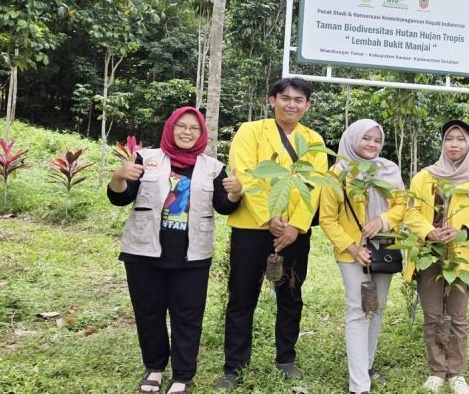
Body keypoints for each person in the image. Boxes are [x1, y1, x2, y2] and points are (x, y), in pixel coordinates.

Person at [107, 106, 243, 394]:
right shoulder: (147, 159)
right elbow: (120, 198)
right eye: (181, 126)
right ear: (170, 127)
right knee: (149, 313)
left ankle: (182, 375)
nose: (187, 132)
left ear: (201, 133)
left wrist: (235, 191)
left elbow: (224, 206)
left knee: (188, 315)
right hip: (144, 251)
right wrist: (119, 177)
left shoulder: (214, 167)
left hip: (193, 255)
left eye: (194, 128)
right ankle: (154, 368)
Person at [216, 77, 328, 390]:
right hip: (251, 228)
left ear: (307, 105)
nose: (291, 104)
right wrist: (269, 217)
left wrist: (295, 226)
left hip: (294, 232)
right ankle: (233, 367)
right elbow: (246, 175)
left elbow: (315, 186)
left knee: (291, 296)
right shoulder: (250, 131)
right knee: (241, 298)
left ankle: (286, 359)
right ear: (272, 100)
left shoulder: (314, 140)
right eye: (285, 98)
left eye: (298, 100)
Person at [319, 119, 407, 394]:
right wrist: (353, 248)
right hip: (352, 253)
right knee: (358, 310)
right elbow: (327, 219)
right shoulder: (337, 174)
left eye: (377, 140)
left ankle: (366, 366)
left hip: (385, 247)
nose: (372, 144)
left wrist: (383, 220)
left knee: (378, 307)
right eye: (365, 138)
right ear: (352, 138)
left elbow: (403, 204)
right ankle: (359, 385)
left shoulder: (389, 170)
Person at [404, 120, 469, 394]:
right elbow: (411, 212)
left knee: (457, 316)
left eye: (460, 139)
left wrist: (463, 231)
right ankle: (436, 371)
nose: (454, 144)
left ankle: (456, 373)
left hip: (460, 259)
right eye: (449, 139)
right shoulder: (424, 177)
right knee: (432, 314)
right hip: (429, 254)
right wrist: (430, 232)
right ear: (442, 144)